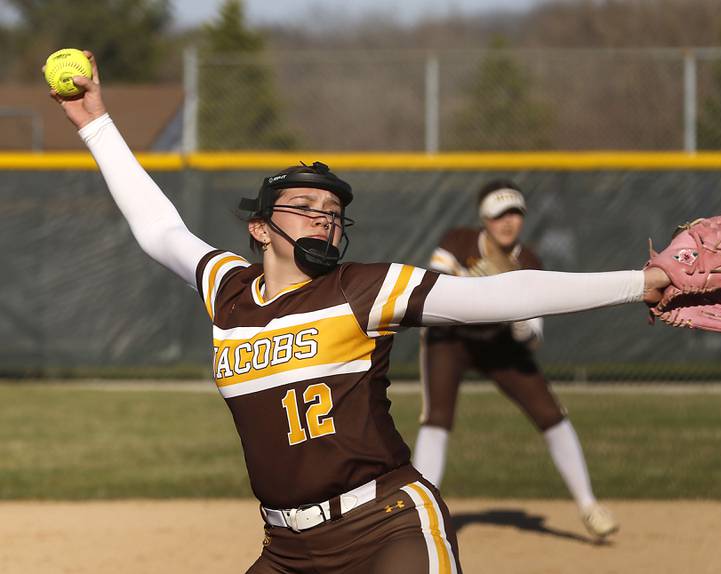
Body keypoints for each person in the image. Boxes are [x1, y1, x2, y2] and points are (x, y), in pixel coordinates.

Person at [48, 51, 669, 573]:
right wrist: (94, 121)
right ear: (260, 228)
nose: (323, 214)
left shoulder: (362, 289)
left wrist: (641, 282)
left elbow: (501, 294)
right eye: (303, 205)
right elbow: (159, 229)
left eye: (332, 208)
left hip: (387, 527)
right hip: (286, 548)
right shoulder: (228, 290)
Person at [412, 180, 618, 539]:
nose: (507, 223)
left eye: (515, 214)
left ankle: (588, 505)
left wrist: (519, 317)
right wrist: (480, 289)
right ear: (484, 219)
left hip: (500, 345)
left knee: (551, 415)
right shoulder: (458, 241)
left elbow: (531, 338)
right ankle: (417, 518)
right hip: (451, 341)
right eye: (498, 215)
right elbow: (434, 291)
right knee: (436, 420)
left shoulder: (528, 263)